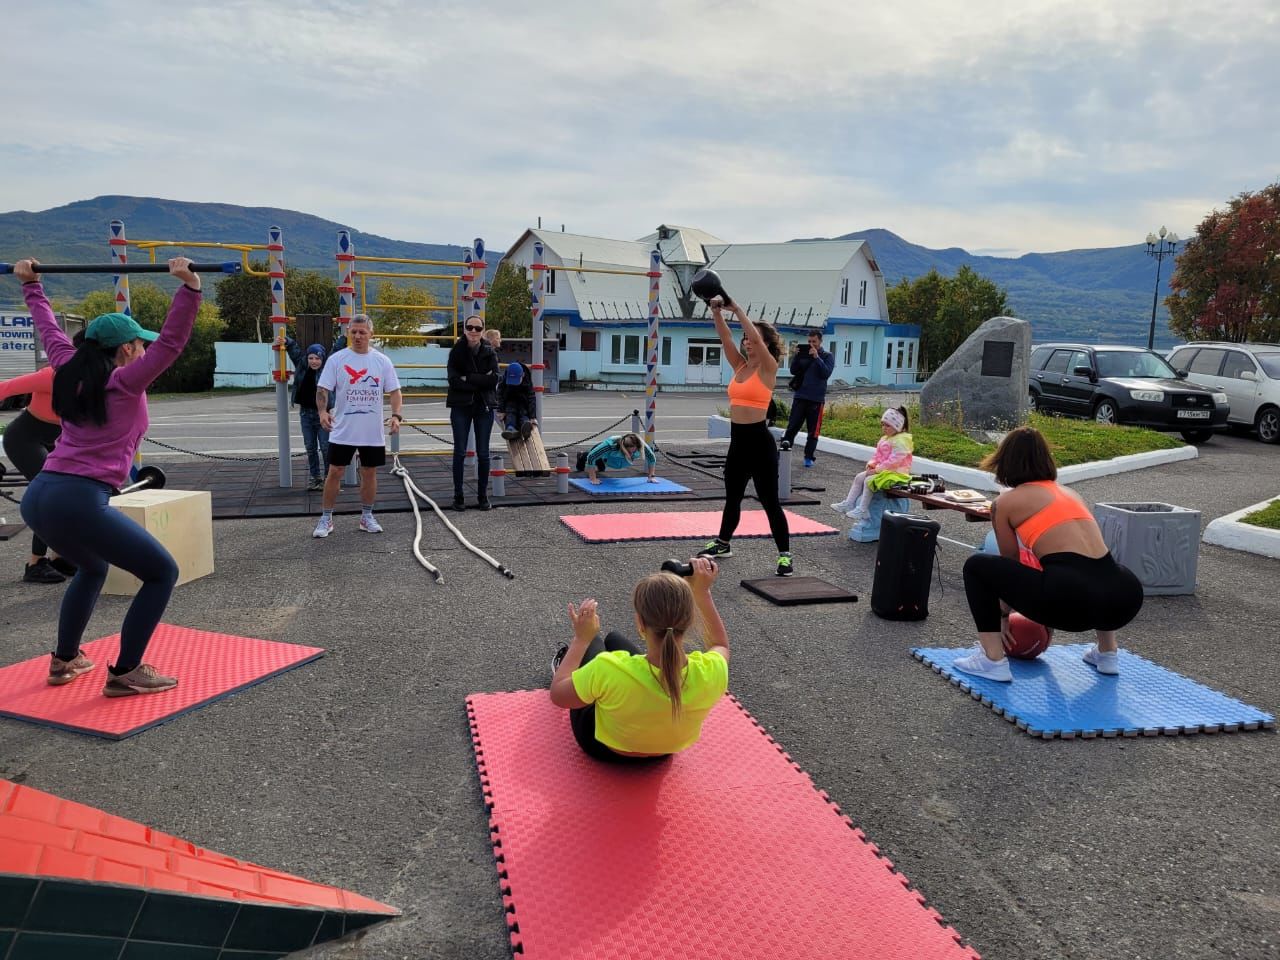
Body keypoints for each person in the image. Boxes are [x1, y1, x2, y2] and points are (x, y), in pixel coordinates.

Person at [13, 256, 199, 696]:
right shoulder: (125, 382)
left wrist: (31, 285)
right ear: (127, 349)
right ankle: (126, 671)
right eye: (138, 344)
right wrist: (189, 287)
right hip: (79, 499)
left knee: (93, 567)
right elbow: (172, 342)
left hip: (39, 496)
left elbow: (50, 331)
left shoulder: (67, 368)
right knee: (161, 572)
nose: (144, 350)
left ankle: (65, 660)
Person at [954, 426, 1144, 682]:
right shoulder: (1070, 494)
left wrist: (1003, 616)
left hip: (1071, 601)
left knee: (977, 566)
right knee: (1098, 572)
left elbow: (1009, 564)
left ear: (1005, 461)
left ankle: (992, 659)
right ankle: (1107, 652)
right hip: (1124, 599)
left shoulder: (1005, 503)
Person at [549, 557, 729, 762]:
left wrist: (581, 639)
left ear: (640, 623)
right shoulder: (712, 670)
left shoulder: (607, 667)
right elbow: (720, 644)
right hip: (664, 750)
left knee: (594, 642)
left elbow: (558, 696)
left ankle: (568, 666)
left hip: (603, 748)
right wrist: (702, 593)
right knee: (614, 639)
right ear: (689, 620)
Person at [697, 296, 793, 577]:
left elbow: (758, 341)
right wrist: (717, 312)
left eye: (752, 338)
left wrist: (737, 309)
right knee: (733, 498)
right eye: (746, 339)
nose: (747, 341)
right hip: (738, 444)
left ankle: (785, 556)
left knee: (770, 502)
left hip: (760, 445)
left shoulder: (769, 368)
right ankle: (723, 543)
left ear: (763, 342)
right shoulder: (739, 366)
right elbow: (725, 337)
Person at [312, 314, 403, 538]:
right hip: (343, 428)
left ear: (371, 334)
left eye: (362, 332)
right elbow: (322, 389)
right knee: (335, 471)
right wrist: (322, 412)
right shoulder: (337, 359)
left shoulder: (382, 361)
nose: (358, 336)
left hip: (371, 430)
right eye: (354, 332)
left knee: (369, 472)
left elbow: (395, 391)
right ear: (348, 333)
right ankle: (326, 518)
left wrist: (396, 416)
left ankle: (367, 516)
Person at [0, 362, 80, 583]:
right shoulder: (51, 376)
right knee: (49, 495)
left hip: (57, 440)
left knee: (67, 495)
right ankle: (36, 563)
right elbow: (4, 388)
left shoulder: (96, 377)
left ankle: (59, 556)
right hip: (24, 440)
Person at [446, 315, 500, 511]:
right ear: (464, 329)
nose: (474, 331)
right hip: (461, 406)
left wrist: (467, 377)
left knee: (483, 453)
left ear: (483, 330)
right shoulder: (456, 351)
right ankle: (458, 496)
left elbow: (494, 379)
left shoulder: (489, 351)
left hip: (483, 406)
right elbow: (453, 380)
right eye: (470, 327)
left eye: (478, 328)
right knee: (459, 451)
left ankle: (482, 496)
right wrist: (479, 380)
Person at [831, 406, 914, 520]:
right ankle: (849, 503)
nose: (884, 428)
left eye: (887, 425)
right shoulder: (885, 439)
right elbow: (877, 455)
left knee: (869, 481)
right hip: (884, 471)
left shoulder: (901, 440)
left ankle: (862, 510)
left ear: (897, 426)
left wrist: (877, 470)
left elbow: (894, 461)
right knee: (859, 477)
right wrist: (872, 464)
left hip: (897, 474)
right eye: (883, 425)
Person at [276, 335, 331, 490]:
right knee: (310, 447)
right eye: (311, 358)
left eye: (317, 358)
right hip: (306, 414)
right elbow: (294, 349)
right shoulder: (302, 366)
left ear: (323, 359)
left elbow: (336, 350)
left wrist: (344, 337)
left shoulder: (327, 369)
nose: (314, 361)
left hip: (323, 414)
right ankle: (315, 478)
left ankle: (329, 478)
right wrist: (286, 341)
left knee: (326, 447)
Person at [780, 330, 834, 467]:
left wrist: (817, 357)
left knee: (813, 431)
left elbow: (826, 373)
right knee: (792, 427)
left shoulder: (827, 356)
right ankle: (783, 453)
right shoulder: (803, 355)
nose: (811, 344)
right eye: (809, 341)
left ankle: (809, 457)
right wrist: (796, 356)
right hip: (800, 396)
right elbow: (793, 370)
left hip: (816, 399)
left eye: (814, 341)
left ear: (820, 341)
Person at [574, 432, 657, 484]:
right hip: (603, 455)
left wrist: (651, 476)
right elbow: (591, 457)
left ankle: (599, 465)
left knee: (601, 469)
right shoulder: (610, 445)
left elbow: (652, 458)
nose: (632, 453)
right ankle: (581, 455)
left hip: (611, 459)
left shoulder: (641, 446)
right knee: (590, 462)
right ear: (623, 447)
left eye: (634, 451)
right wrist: (593, 479)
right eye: (629, 451)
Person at [497, 361, 536, 441]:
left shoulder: (527, 381)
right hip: (510, 399)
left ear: (523, 375)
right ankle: (510, 429)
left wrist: (532, 416)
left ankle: (525, 426)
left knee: (523, 412)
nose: (514, 384)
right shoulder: (505, 378)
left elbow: (531, 397)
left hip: (522, 401)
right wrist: (501, 410)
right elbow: (500, 393)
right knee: (510, 412)